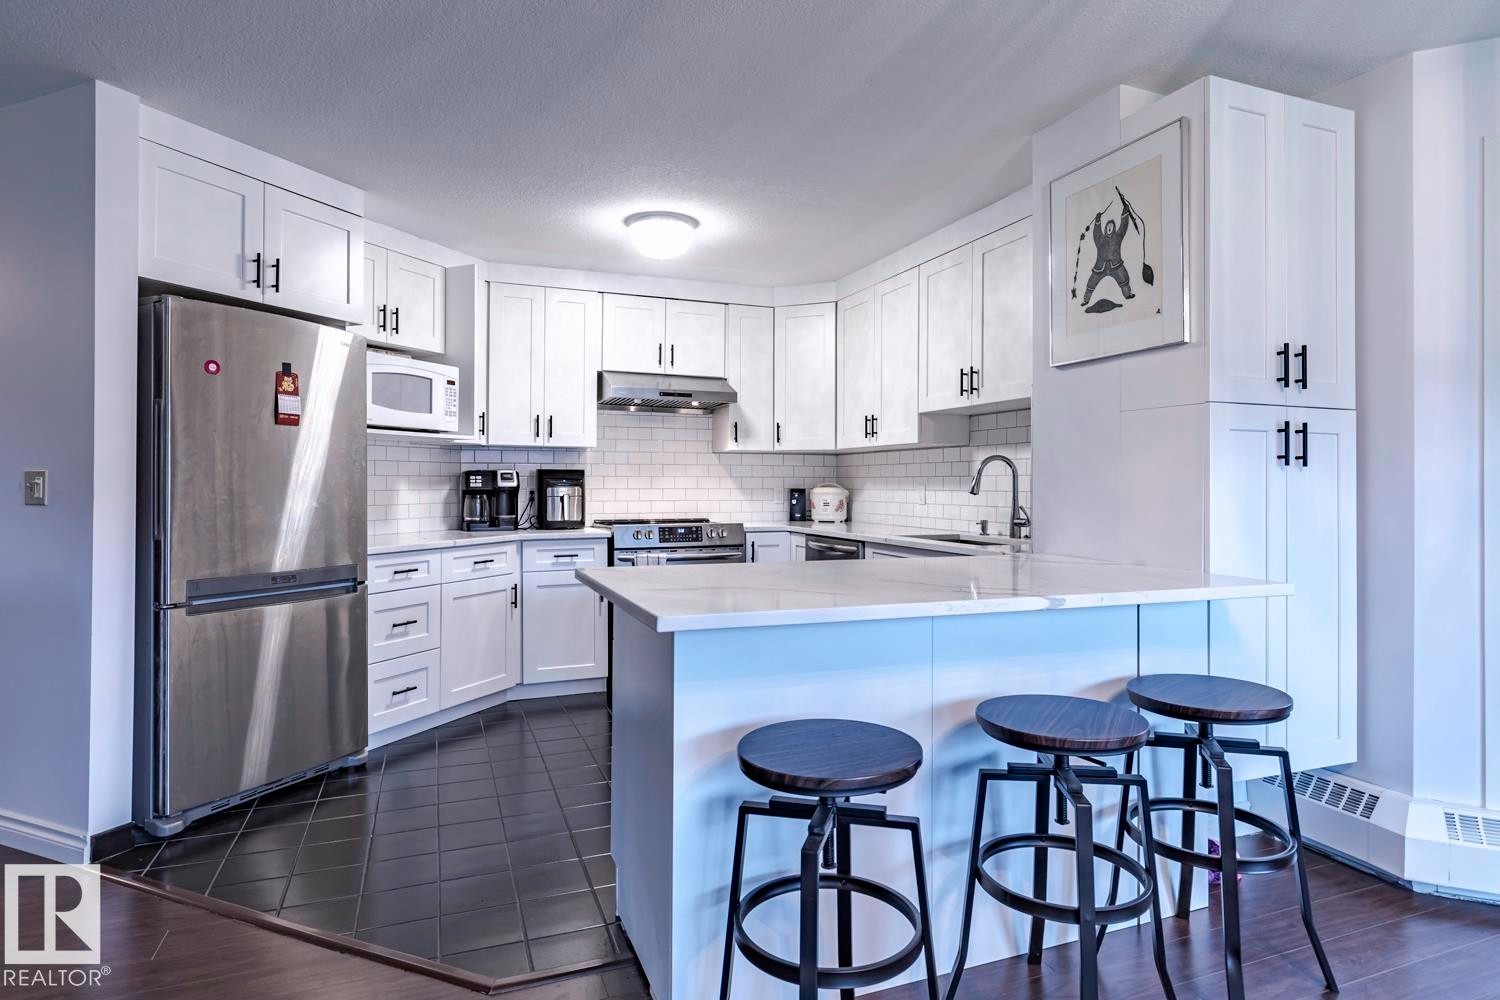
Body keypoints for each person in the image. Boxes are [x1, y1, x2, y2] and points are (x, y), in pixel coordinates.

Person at [1081, 201, 1134, 306]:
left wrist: (1125, 212)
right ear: (1105, 228)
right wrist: (1097, 221)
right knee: (1091, 282)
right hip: (1100, 266)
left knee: (1124, 278)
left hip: (1116, 265)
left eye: (1111, 226)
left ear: (1114, 228)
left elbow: (1123, 227)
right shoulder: (1100, 239)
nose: (1109, 228)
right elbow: (1096, 233)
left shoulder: (1117, 237)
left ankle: (1128, 294)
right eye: (1108, 226)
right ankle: (1086, 300)